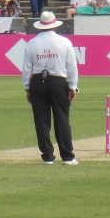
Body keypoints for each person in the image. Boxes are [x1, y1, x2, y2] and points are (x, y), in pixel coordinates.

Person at [22, 11, 79, 165]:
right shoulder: (64, 42)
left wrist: (27, 88)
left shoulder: (32, 43)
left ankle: (47, 156)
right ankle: (67, 156)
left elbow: (27, 69)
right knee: (61, 118)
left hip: (37, 82)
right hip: (58, 81)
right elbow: (72, 66)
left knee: (41, 120)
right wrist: (73, 86)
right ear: (55, 26)